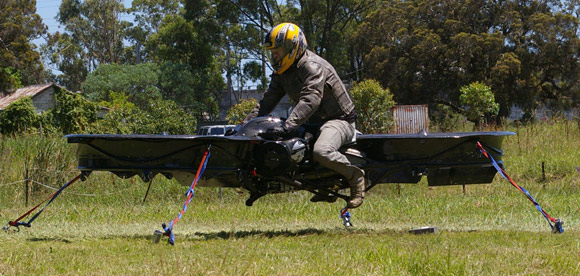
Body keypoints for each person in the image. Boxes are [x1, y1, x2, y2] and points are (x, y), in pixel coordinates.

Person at [242, 22, 365, 208]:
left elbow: (310, 99)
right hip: (312, 122)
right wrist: (242, 127)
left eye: (277, 52)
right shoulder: (282, 72)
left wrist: (287, 127)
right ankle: (325, 184)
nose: (274, 57)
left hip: (339, 120)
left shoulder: (311, 66)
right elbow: (266, 102)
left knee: (321, 151)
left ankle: (356, 177)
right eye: (272, 52)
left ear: (292, 48)